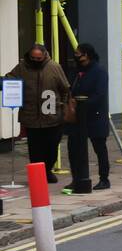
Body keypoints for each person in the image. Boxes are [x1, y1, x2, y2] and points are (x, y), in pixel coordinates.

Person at [5, 43, 69, 184]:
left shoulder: (54, 67)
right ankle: (38, 176)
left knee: (52, 147)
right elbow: (9, 79)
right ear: (29, 56)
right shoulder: (22, 67)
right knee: (35, 150)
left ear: (44, 55)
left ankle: (47, 170)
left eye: (38, 58)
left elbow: (65, 88)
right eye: (33, 58)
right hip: (31, 116)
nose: (35, 61)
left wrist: (62, 106)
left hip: (52, 115)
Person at [70, 43, 111, 190]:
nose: (75, 56)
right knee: (75, 148)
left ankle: (104, 179)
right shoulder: (77, 71)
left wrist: (82, 103)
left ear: (86, 55)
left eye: (78, 53)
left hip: (95, 116)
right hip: (78, 117)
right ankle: (77, 178)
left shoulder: (99, 71)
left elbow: (99, 95)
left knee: (99, 148)